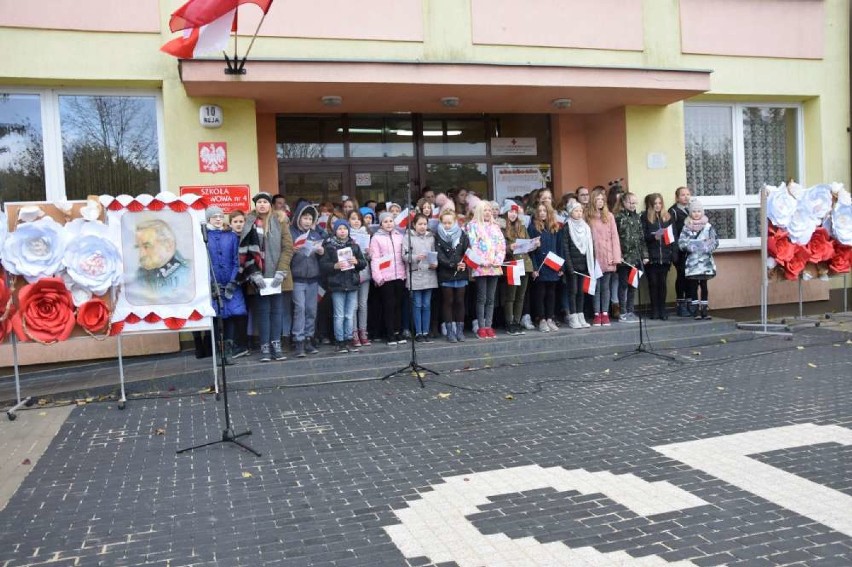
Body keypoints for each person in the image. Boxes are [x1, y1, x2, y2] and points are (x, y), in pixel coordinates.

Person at [239, 192, 294, 362]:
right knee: (262, 312)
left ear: (270, 204)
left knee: (277, 311)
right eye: (259, 202)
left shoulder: (280, 221)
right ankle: (264, 347)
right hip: (258, 275)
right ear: (255, 204)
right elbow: (244, 249)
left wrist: (281, 271)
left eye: (265, 202)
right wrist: (254, 273)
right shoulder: (249, 222)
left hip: (277, 275)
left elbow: (288, 247)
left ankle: (276, 346)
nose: (262, 204)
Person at [203, 207, 247, 364]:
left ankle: (227, 352)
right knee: (216, 318)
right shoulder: (204, 237)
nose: (218, 219)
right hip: (213, 286)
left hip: (230, 285)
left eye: (220, 216)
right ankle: (218, 352)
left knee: (231, 317)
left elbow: (237, 261)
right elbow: (203, 263)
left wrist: (233, 282)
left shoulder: (231, 237)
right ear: (208, 219)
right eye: (214, 217)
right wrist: (210, 283)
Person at [320, 218, 367, 353]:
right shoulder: (329, 246)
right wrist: (334, 266)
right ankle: (339, 341)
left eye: (345, 229)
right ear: (335, 231)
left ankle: (348, 339)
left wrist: (356, 261)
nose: (342, 231)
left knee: (349, 314)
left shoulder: (354, 245)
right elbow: (323, 265)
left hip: (352, 284)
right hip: (337, 285)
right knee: (339, 315)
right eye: (340, 229)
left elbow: (363, 263)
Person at [289, 200, 325, 357]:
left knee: (311, 310)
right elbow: (284, 254)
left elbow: (324, 248)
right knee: (300, 309)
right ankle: (299, 341)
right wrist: (292, 250)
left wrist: (321, 251)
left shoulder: (316, 234)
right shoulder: (291, 233)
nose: (307, 221)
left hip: (313, 278)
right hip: (297, 278)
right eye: (304, 218)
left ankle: (309, 338)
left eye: (310, 219)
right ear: (298, 218)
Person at [466, 200, 506, 339]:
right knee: (481, 297)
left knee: (491, 298)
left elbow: (501, 245)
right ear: (479, 212)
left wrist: (498, 260)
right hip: (481, 267)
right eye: (485, 210)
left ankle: (489, 325)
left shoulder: (496, 227)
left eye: (489, 210)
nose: (488, 212)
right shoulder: (473, 226)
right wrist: (482, 261)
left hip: (494, 267)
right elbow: (472, 244)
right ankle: (481, 327)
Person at [130, 218, 192, 305]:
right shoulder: (138, 277)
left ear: (168, 245)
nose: (141, 254)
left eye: (147, 246)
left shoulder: (190, 272)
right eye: (138, 247)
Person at [369, 211, 407, 345]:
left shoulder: (399, 236)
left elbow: (404, 255)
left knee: (398, 305)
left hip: (399, 275)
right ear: (380, 224)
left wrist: (405, 274)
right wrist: (377, 277)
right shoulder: (376, 238)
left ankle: (398, 332)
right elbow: (375, 259)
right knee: (388, 305)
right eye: (385, 221)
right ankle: (390, 333)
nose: (389, 224)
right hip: (386, 277)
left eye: (391, 221)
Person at [678, 198, 718, 320]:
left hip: (705, 262)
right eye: (694, 211)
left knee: (704, 285)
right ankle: (695, 310)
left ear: (702, 212)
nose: (696, 214)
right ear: (690, 213)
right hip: (693, 262)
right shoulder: (686, 227)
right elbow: (681, 243)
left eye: (699, 211)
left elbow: (715, 241)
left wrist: (707, 247)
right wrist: (691, 246)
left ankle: (704, 309)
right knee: (693, 285)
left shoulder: (708, 226)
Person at [586, 188, 621, 326]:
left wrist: (616, 257)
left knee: (606, 287)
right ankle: (596, 314)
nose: (600, 202)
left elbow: (615, 237)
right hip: (595, 257)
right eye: (597, 199)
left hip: (608, 256)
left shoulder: (609, 216)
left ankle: (605, 313)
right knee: (596, 287)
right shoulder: (588, 216)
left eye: (602, 200)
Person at [435, 210, 470, 342]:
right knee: (448, 302)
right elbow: (439, 255)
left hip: (461, 273)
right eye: (445, 223)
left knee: (460, 302)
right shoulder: (437, 236)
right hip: (446, 273)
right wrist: (453, 265)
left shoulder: (462, 235)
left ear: (455, 222)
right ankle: (450, 332)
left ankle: (460, 331)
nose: (447, 225)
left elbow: (467, 251)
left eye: (450, 222)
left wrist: (464, 263)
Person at [528, 202, 563, 332]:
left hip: (552, 264)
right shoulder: (532, 228)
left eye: (545, 210)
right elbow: (530, 251)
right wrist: (535, 268)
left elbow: (559, 248)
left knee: (551, 293)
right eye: (540, 211)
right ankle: (541, 319)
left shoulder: (555, 228)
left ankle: (550, 318)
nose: (542, 213)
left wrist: (561, 267)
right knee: (540, 293)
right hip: (540, 265)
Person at [403, 214, 438, 342]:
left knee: (426, 305)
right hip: (416, 273)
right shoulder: (408, 237)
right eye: (420, 224)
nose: (423, 227)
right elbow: (405, 255)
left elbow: (435, 253)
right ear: (414, 225)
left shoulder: (431, 238)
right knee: (417, 304)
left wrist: (435, 263)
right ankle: (418, 332)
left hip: (429, 273)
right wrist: (416, 257)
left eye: (424, 224)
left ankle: (426, 331)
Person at [613, 192, 648, 323]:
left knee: (633, 285)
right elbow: (614, 238)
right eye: (630, 202)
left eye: (634, 203)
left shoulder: (637, 217)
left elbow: (641, 237)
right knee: (623, 286)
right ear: (623, 203)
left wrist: (644, 255)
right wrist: (618, 254)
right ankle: (622, 312)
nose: (633, 205)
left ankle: (630, 310)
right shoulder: (618, 217)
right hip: (623, 259)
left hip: (636, 258)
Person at [501, 201, 534, 335]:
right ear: (505, 213)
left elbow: (528, 243)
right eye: (510, 211)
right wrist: (509, 248)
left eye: (515, 212)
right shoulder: (502, 228)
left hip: (524, 264)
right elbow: (499, 247)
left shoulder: (522, 227)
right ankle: (509, 322)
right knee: (511, 296)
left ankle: (517, 320)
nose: (513, 214)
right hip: (512, 264)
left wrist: (534, 243)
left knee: (521, 296)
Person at [642, 193, 675, 320]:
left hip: (665, 256)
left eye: (660, 203)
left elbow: (673, 236)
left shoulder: (667, 216)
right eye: (655, 203)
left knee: (662, 283)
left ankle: (663, 309)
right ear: (650, 204)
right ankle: (654, 309)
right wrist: (653, 236)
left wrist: (673, 253)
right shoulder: (645, 217)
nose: (658, 206)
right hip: (652, 257)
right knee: (653, 283)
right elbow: (643, 236)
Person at [562, 200, 593, 329]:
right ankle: (573, 316)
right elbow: (565, 247)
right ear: (570, 212)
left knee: (581, 292)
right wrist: (569, 266)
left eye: (581, 211)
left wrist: (589, 264)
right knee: (573, 291)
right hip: (573, 266)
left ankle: (581, 315)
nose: (579, 213)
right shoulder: (567, 226)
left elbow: (590, 247)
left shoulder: (586, 227)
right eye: (576, 211)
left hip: (583, 265)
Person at [226, 210, 250, 358]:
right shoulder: (228, 237)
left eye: (241, 221)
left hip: (249, 279)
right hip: (235, 280)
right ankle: (238, 343)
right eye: (236, 222)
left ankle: (245, 343)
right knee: (237, 313)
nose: (239, 224)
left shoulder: (247, 236)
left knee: (246, 312)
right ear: (230, 223)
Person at [347, 209, 372, 347]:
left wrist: (369, 253)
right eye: (353, 218)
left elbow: (370, 258)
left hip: (365, 272)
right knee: (354, 305)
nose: (356, 221)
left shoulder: (367, 234)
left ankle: (363, 331)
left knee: (363, 304)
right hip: (351, 274)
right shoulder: (346, 234)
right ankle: (354, 332)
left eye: (358, 219)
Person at [669, 186, 692, 316]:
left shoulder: (692, 210)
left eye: (688, 194)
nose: (686, 197)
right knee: (682, 276)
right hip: (680, 250)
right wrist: (675, 251)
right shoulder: (673, 211)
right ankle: (680, 303)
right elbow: (672, 233)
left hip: (692, 250)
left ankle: (691, 303)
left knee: (691, 276)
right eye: (683, 195)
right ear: (677, 197)